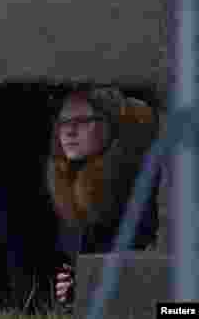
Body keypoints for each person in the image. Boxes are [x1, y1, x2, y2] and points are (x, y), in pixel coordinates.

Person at [47, 88, 158, 308]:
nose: (69, 131)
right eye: (64, 121)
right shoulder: (68, 192)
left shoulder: (140, 192)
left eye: (83, 120)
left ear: (111, 127)